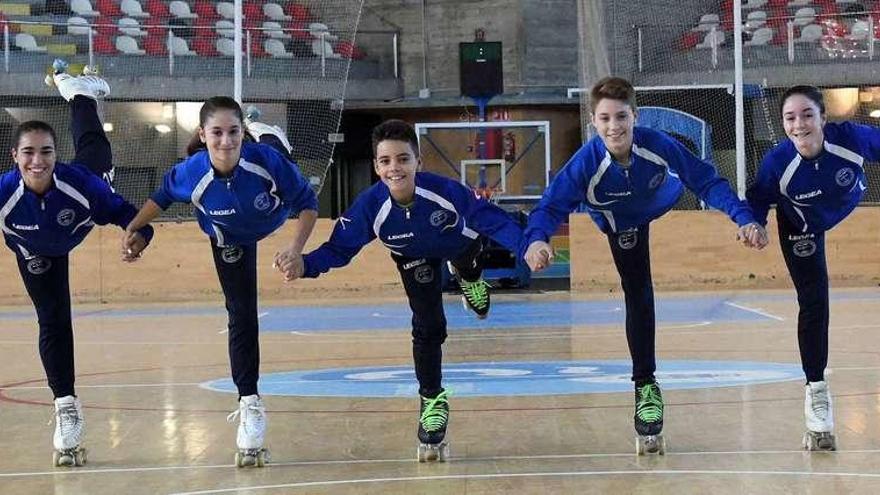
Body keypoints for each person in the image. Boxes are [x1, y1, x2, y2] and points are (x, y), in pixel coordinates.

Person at [522, 76, 765, 454]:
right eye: (605, 119)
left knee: (641, 291)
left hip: (658, 196)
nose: (614, 126)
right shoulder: (586, 162)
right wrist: (538, 238)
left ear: (635, 116)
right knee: (638, 292)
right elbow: (551, 205)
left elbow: (705, 180)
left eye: (621, 117)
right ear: (593, 122)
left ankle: (646, 384)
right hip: (618, 219)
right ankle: (645, 386)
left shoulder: (658, 145)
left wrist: (743, 218)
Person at [287, 119, 524, 462]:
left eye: (402, 159)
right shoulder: (370, 207)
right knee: (428, 326)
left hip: (460, 244)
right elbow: (339, 249)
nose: (394, 168)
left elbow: (493, 219)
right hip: (414, 258)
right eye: (385, 161)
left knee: (470, 265)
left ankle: (470, 280)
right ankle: (432, 400)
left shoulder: (446, 192)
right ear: (376, 166)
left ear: (418, 163)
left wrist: (526, 245)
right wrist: (305, 265)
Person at [122, 97, 318, 467]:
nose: (225, 141)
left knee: (274, 150)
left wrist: (296, 249)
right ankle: (249, 404)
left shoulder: (264, 164)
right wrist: (134, 228)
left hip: (271, 216)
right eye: (217, 133)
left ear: (240, 133)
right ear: (202, 134)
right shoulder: (193, 171)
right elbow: (162, 197)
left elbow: (308, 203)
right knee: (241, 315)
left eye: (233, 132)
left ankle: (267, 133)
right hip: (228, 237)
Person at [0, 62, 154, 466]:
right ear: (14, 156)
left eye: (46, 152)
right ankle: (66, 407)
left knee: (96, 152)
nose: (38, 161)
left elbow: (131, 215)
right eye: (28, 153)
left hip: (81, 201)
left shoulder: (81, 186)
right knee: (53, 319)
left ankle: (81, 94)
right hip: (33, 250)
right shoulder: (4, 193)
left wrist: (139, 236)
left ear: (54, 155)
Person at [746, 85, 875, 451]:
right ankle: (816, 393)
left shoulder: (849, 139)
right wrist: (754, 224)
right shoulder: (777, 163)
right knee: (815, 303)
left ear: (822, 118)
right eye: (790, 117)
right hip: (800, 226)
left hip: (844, 203)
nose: (799, 124)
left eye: (807, 115)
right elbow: (757, 198)